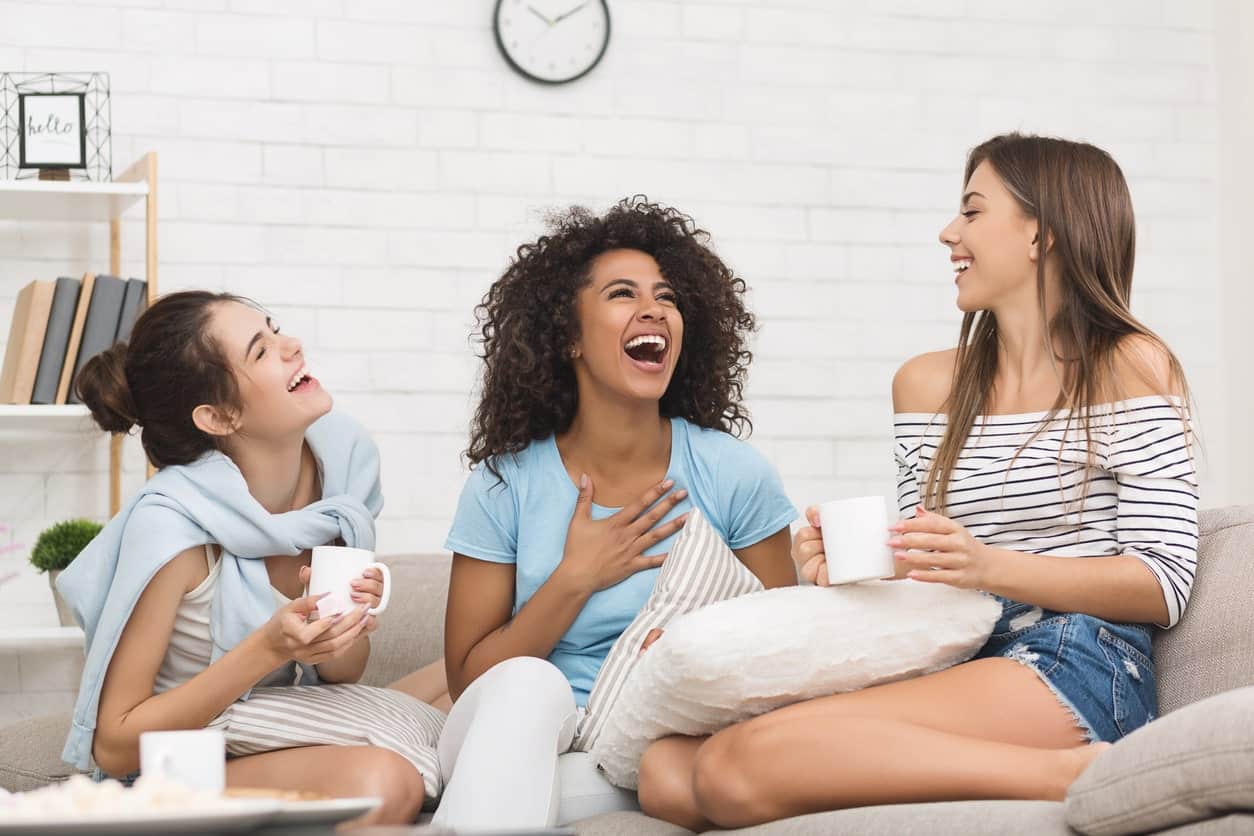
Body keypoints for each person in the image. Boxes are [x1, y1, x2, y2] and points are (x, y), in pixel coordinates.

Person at [637, 133, 1199, 830]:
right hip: (951, 648)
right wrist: (842, 569)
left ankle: (1079, 772)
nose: (948, 233)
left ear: (1041, 234)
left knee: (737, 764)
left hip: (1073, 655)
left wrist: (993, 567)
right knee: (662, 769)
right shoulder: (927, 385)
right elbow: (927, 583)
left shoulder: (1133, 366)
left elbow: (1163, 582)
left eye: (971, 212)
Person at [433, 197, 799, 829]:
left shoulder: (733, 474)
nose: (653, 308)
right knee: (531, 686)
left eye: (666, 296)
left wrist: (688, 649)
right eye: (622, 294)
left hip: (637, 748)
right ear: (568, 337)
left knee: (606, 774)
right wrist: (577, 576)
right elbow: (468, 680)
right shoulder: (504, 485)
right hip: (515, 727)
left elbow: (787, 651)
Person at [60, 291, 446, 825]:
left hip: (280, 727)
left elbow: (342, 674)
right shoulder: (175, 525)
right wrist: (267, 647)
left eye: (275, 329)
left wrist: (337, 630)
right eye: (261, 351)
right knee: (383, 780)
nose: (292, 346)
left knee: (481, 670)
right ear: (219, 416)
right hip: (184, 757)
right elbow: (116, 742)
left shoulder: (341, 471)